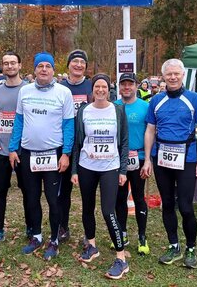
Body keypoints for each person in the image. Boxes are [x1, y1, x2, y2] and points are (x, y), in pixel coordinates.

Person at [141, 58, 197, 269]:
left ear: (182, 75)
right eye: (169, 74)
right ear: (163, 76)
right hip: (162, 158)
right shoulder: (156, 100)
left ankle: (190, 248)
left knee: (186, 206)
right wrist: (147, 159)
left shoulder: (194, 99)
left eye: (176, 74)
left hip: (187, 158)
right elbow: (150, 130)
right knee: (167, 203)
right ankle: (174, 245)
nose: (172, 77)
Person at [8, 52, 74, 260]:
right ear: (34, 69)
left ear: (53, 70)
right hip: (28, 153)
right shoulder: (24, 91)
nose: (44, 69)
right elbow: (18, 121)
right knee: (31, 197)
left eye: (48, 66)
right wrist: (12, 148)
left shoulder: (63, 93)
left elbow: (69, 126)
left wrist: (66, 154)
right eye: (40, 66)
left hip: (53, 153)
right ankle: (36, 235)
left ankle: (54, 239)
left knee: (53, 200)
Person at [71, 73, 129, 280]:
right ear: (92, 89)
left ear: (109, 89)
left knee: (107, 211)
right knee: (87, 207)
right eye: (97, 86)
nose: (101, 90)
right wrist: (75, 170)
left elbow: (123, 142)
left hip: (110, 167)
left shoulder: (118, 110)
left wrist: (123, 170)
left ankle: (121, 258)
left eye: (104, 86)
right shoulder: (84, 110)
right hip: (87, 165)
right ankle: (92, 246)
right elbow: (78, 142)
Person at [0, 51, 31, 249]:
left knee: (28, 191)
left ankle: (31, 227)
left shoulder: (29, 90)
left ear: (20, 65)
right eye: (6, 63)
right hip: (0, 150)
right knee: (0, 192)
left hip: (24, 150)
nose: (10, 66)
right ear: (2, 67)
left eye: (13, 63)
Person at [58, 49, 92, 243]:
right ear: (68, 65)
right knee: (64, 191)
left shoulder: (92, 87)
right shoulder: (60, 87)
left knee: (87, 192)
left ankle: (89, 233)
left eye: (82, 62)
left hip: (88, 145)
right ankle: (63, 226)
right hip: (65, 145)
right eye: (75, 61)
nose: (78, 65)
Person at [114, 73, 150, 255]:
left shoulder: (145, 107)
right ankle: (123, 233)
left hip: (139, 156)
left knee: (138, 197)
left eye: (130, 84)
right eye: (123, 84)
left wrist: (148, 160)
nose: (127, 87)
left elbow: (151, 133)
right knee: (119, 197)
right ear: (119, 87)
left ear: (136, 86)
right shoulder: (113, 106)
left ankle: (142, 237)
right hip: (117, 158)